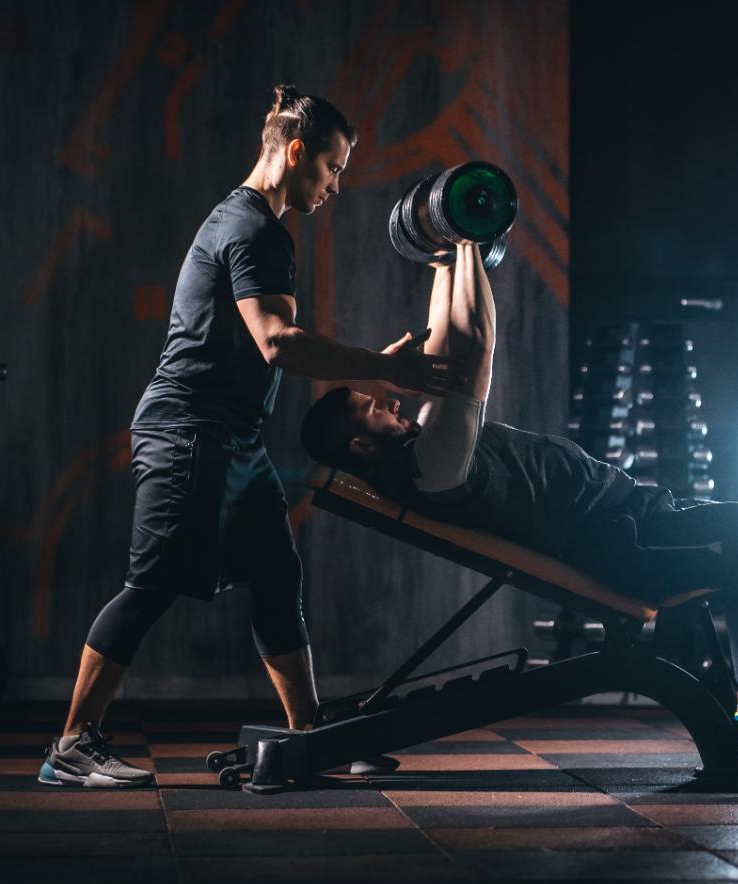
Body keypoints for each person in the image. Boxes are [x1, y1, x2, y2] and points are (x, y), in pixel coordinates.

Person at [299, 243, 738, 791]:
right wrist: (468, 245)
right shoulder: (431, 463)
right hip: (633, 547)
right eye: (371, 406)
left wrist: (442, 261)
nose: (389, 397)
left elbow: (442, 347)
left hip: (642, 518)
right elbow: (475, 347)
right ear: (359, 447)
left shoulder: (421, 450)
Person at [40, 85, 451, 788]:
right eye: (333, 167)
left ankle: (309, 735)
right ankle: (72, 745)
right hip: (188, 432)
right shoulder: (256, 230)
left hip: (231, 438)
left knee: (275, 573)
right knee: (151, 584)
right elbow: (278, 342)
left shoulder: (247, 223)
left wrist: (372, 367)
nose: (336, 185)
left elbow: (274, 344)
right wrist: (385, 368)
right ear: (296, 154)